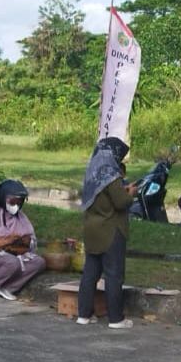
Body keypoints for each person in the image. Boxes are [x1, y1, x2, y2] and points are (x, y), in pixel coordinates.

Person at [76, 137, 137, 329]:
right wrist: (130, 194)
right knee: (113, 275)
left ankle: (84, 314)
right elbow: (120, 202)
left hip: (91, 230)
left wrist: (121, 190)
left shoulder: (91, 174)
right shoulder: (111, 175)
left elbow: (103, 197)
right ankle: (116, 319)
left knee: (90, 274)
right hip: (111, 231)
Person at [0, 179, 46, 301]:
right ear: (3, 198)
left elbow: (31, 242)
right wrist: (10, 240)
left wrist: (25, 243)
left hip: (18, 255)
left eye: (19, 201)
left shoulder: (22, 218)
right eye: (12, 201)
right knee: (12, 262)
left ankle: (8, 288)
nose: (16, 204)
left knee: (39, 262)